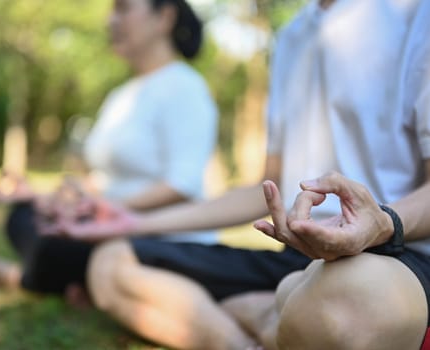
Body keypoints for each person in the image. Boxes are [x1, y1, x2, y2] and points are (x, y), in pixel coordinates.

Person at [47, 0, 430, 348]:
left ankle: (262, 309)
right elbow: (266, 189)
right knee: (112, 261)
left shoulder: (416, 14)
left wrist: (382, 223)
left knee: (346, 312)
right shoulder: (293, 35)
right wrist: (133, 222)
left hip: (394, 256)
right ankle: (251, 333)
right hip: (296, 259)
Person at [0, 0, 219, 299]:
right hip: (107, 223)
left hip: (157, 234)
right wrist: (43, 196)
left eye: (122, 8)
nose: (110, 20)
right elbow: (103, 181)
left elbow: (182, 185)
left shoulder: (186, 87)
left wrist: (108, 213)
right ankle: (82, 283)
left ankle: (30, 279)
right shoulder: (120, 96)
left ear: (165, 17)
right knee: (24, 216)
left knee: (53, 247)